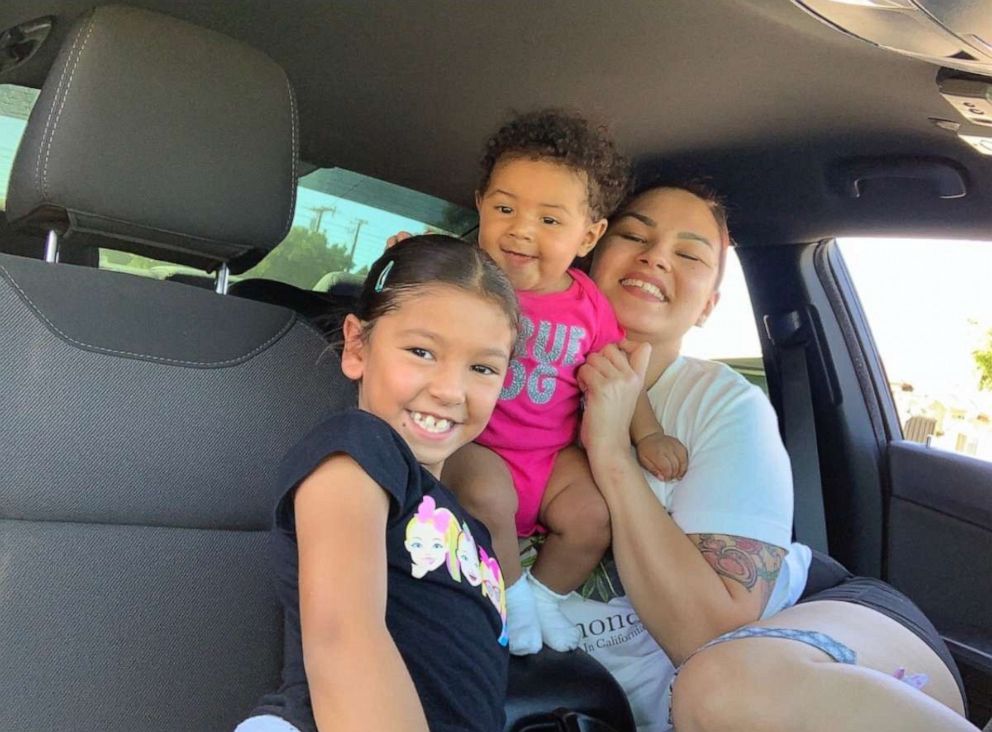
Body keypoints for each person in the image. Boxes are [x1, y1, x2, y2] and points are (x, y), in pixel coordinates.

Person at [563, 182, 977, 731]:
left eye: (688, 254)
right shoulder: (487, 377)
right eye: (634, 235)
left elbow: (709, 632)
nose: (656, 256)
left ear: (708, 305)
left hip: (811, 626)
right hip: (634, 701)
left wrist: (614, 451)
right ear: (587, 254)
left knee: (721, 688)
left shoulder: (722, 403)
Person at [237, 235, 519, 732]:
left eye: (482, 368)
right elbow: (343, 634)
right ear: (356, 346)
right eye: (421, 351)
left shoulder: (466, 526)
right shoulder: (357, 451)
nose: (451, 390)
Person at [438, 109, 689, 657]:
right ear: (481, 204)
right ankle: (510, 597)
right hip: (478, 445)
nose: (521, 229)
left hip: (551, 455)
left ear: (589, 235)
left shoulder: (588, 305)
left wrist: (648, 436)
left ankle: (547, 595)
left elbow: (622, 375)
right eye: (505, 208)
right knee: (484, 495)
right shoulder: (459, 280)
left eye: (550, 221)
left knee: (593, 513)